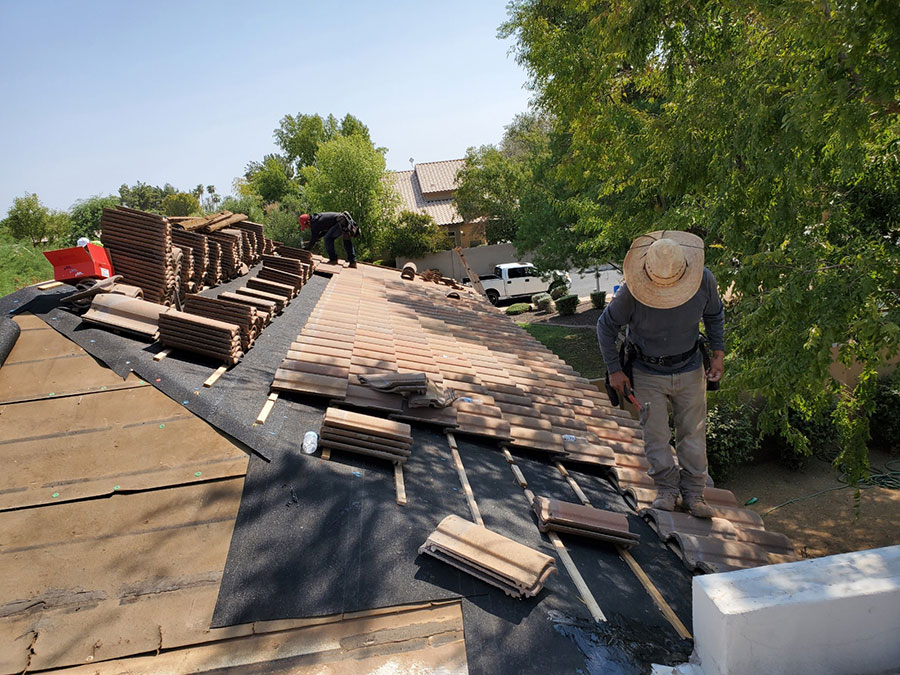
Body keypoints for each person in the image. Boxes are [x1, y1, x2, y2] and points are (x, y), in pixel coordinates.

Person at [597, 231, 725, 518]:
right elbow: (605, 327)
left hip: (691, 367)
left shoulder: (704, 280)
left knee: (693, 433)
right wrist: (615, 370)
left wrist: (718, 354)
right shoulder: (632, 292)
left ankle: (694, 493)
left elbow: (715, 315)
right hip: (646, 371)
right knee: (655, 434)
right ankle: (667, 489)